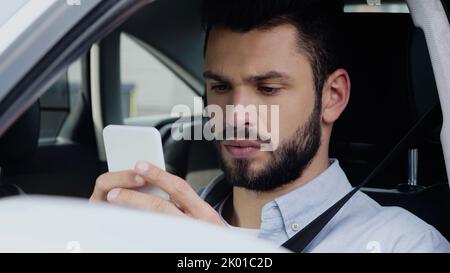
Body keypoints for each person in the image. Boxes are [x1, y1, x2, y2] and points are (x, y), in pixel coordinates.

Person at [90, 0, 450, 252]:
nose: (236, 115)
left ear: (333, 97)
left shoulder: (403, 244)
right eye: (220, 87)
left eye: (268, 89)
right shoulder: (163, 228)